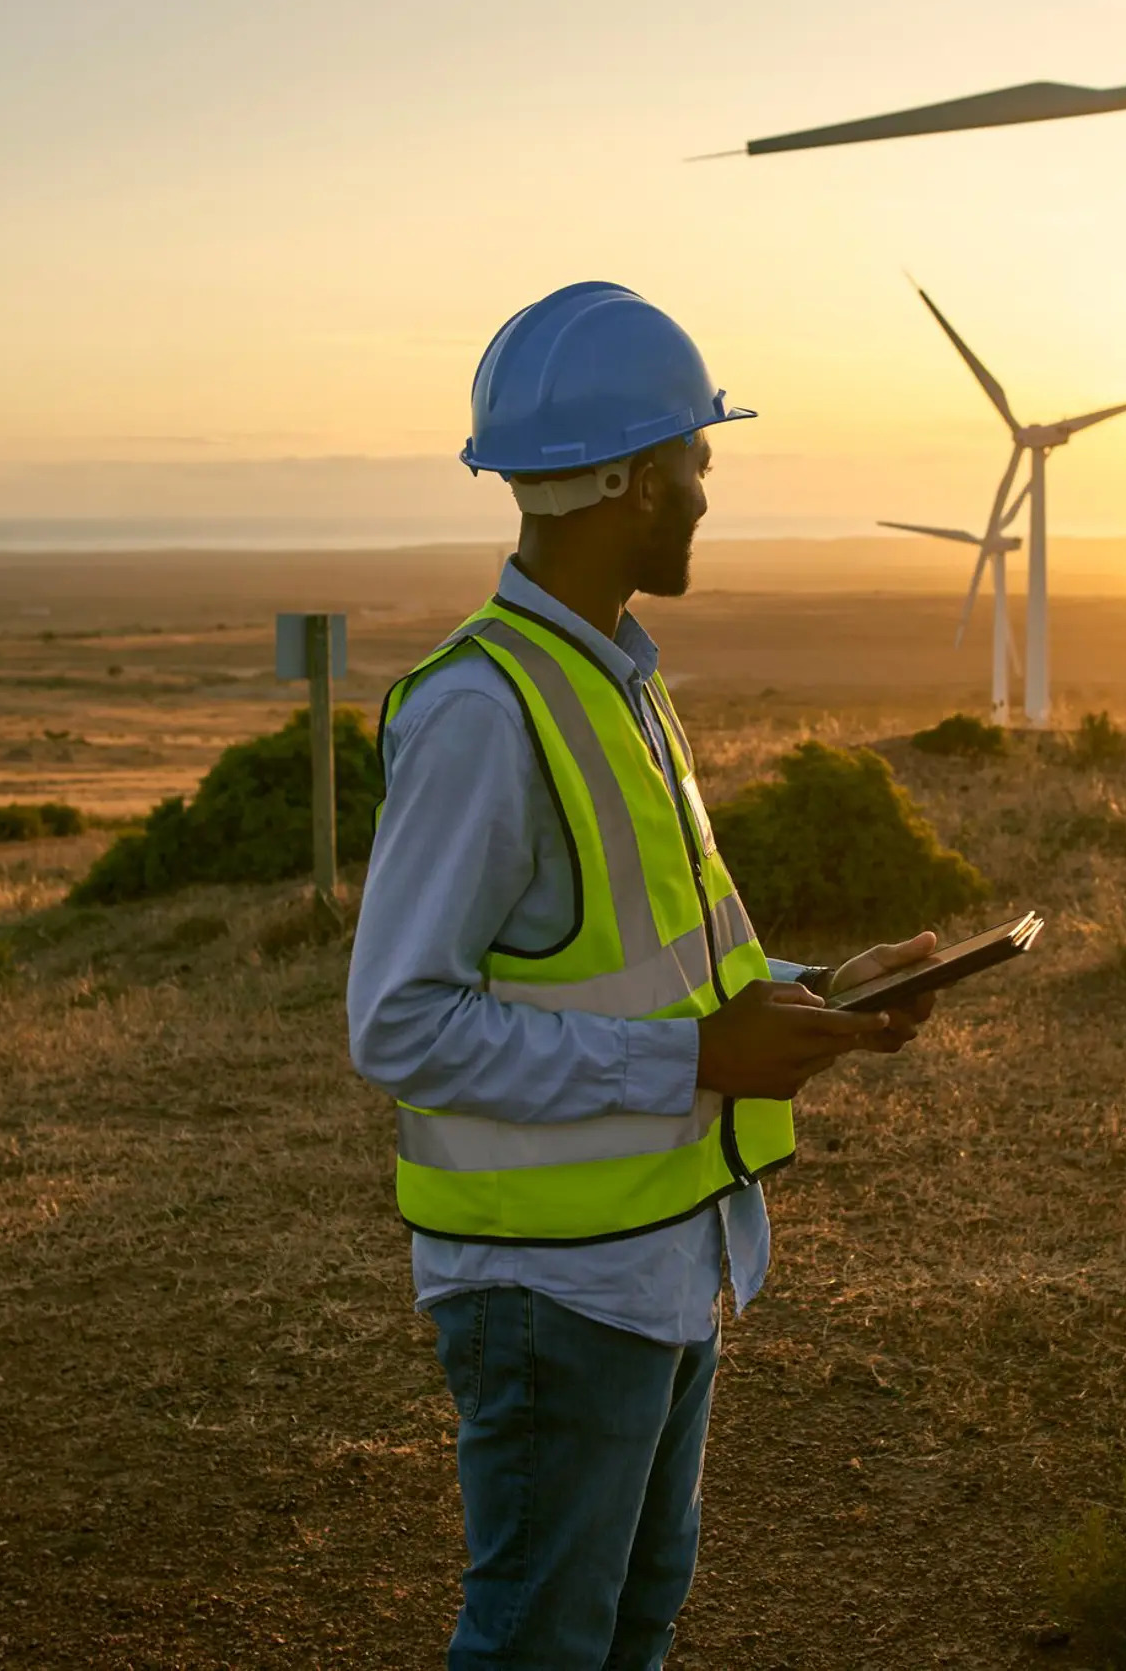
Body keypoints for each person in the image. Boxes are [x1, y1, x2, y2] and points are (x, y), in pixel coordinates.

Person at [348, 280, 939, 1670]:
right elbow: (399, 1023)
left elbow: (656, 961)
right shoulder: (482, 711)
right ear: (622, 477)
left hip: (664, 1256)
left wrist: (822, 987)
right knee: (539, 1644)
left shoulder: (615, 679)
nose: (705, 494)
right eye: (695, 460)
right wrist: (693, 1062)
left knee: (627, 1631)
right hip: (551, 1293)